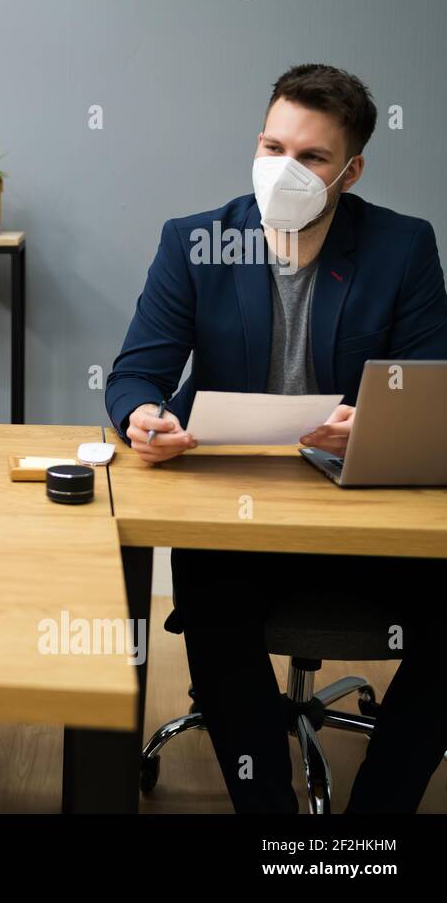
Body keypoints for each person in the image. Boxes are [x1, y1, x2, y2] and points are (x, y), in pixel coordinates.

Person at [106, 64, 447, 812]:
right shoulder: (196, 241)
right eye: (271, 146)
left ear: (350, 171)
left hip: (364, 513)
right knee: (213, 597)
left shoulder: (403, 248)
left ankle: (374, 825)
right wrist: (144, 419)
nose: (283, 170)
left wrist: (379, 421)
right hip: (238, 511)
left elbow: (430, 388)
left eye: (312, 158)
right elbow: (134, 375)